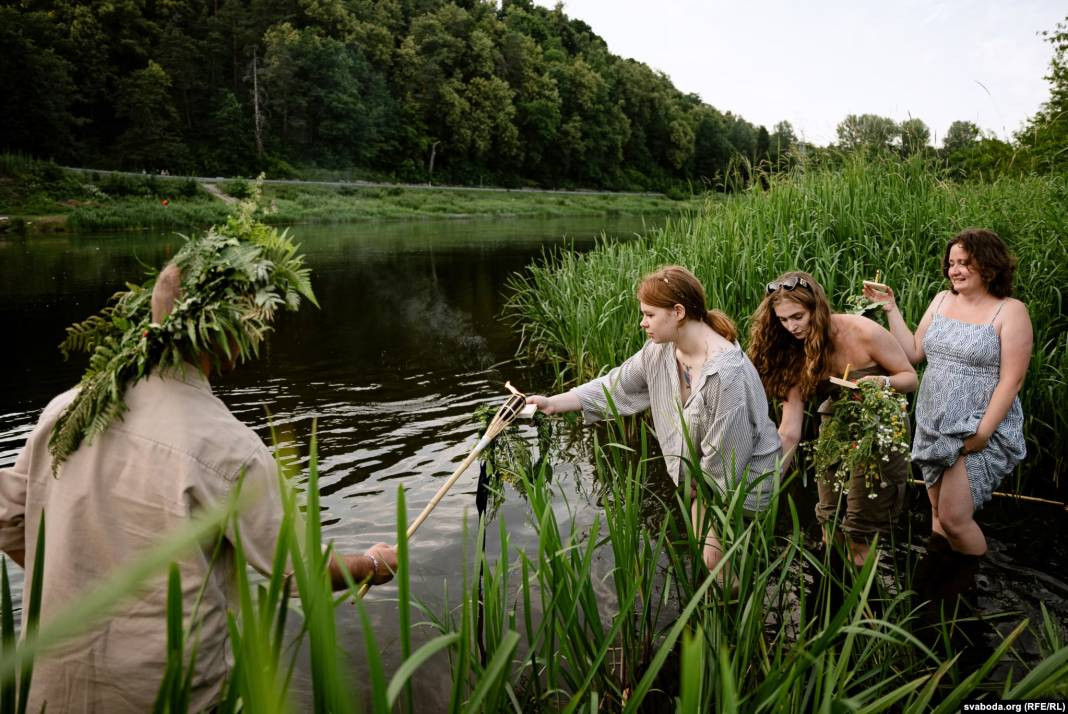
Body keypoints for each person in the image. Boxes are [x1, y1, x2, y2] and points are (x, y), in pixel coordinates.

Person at [0, 229, 399, 713]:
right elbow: (298, 574)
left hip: (47, 690)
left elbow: (7, 521)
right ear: (231, 338)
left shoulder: (66, 409)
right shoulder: (229, 449)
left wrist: (79, 585)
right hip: (165, 695)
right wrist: (375, 564)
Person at [526, 265, 782, 580]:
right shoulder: (660, 351)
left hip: (746, 479)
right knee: (716, 556)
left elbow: (728, 455)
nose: (642, 322)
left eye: (649, 314)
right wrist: (552, 403)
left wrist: (696, 492)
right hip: (703, 478)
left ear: (677, 312)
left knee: (715, 557)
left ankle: (739, 615)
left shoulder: (725, 373)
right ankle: (727, 607)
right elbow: (615, 385)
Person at [865, 228, 1031, 557]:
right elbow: (913, 352)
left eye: (965, 263)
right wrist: (890, 308)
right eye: (952, 263)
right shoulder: (942, 300)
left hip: (974, 425)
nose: (955, 270)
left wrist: (983, 433)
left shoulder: (1011, 311)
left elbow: (1012, 380)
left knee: (955, 519)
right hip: (933, 421)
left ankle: (969, 587)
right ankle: (940, 591)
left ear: (989, 265)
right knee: (939, 516)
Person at [748, 271, 917, 566]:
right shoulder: (791, 351)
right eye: (783, 320)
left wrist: (881, 383)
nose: (792, 327)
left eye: (798, 316)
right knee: (829, 523)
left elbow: (910, 378)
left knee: (859, 534)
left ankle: (866, 604)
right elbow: (789, 429)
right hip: (835, 428)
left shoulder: (862, 332)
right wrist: (769, 482)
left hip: (877, 429)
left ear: (817, 307)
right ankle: (832, 601)